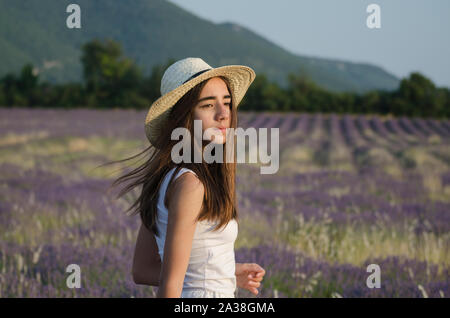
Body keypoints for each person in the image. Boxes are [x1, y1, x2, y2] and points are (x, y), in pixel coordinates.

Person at [107, 57, 265, 298]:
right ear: (184, 116)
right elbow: (171, 286)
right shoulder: (190, 184)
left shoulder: (166, 178)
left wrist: (226, 273)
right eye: (208, 105)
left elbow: (143, 269)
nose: (224, 114)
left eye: (227, 102)